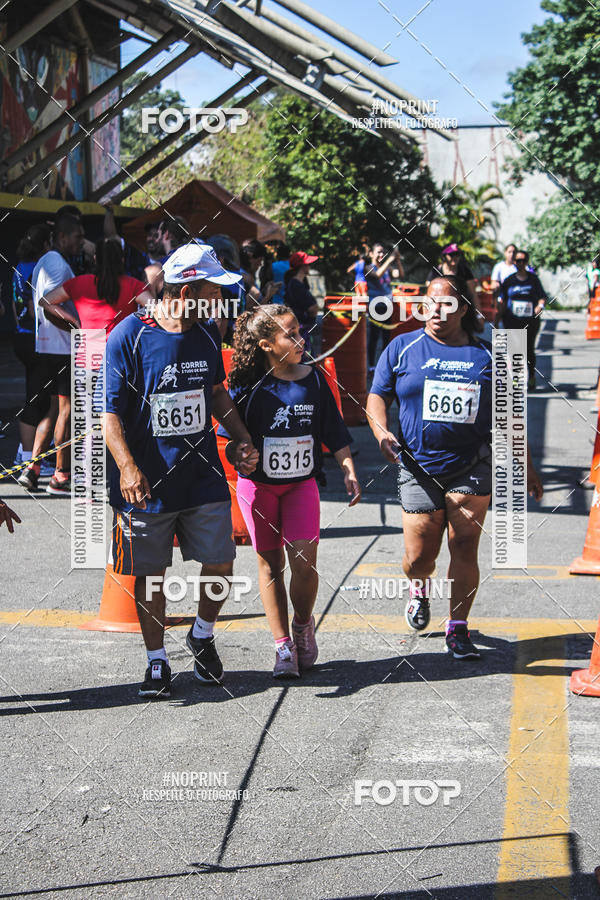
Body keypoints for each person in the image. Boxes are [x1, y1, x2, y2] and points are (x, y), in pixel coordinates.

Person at [101, 242, 259, 699]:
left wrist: (241, 437)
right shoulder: (128, 335)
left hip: (202, 474)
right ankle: (156, 660)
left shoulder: (208, 334)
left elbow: (216, 393)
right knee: (150, 574)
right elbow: (108, 414)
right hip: (146, 482)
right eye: (214, 288)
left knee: (221, 562)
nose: (221, 297)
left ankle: (202, 635)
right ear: (188, 288)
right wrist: (127, 468)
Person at [366, 275, 543, 659]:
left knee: (464, 544)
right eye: (430, 303)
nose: (436, 312)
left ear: (464, 308)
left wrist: (526, 466)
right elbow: (377, 395)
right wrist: (382, 434)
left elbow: (512, 414)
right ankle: (419, 589)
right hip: (417, 465)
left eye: (446, 305)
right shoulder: (402, 347)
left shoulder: (492, 355)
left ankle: (458, 627)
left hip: (472, 465)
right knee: (419, 558)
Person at [225, 304, 361, 677]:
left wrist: (348, 469)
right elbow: (229, 442)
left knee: (304, 562)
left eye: (300, 330)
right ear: (268, 344)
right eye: (291, 334)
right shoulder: (245, 384)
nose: (302, 339)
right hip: (259, 488)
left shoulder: (314, 379)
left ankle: (303, 624)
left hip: (301, 485)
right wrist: (240, 453)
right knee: (270, 565)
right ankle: (282, 644)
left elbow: (334, 431)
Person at [21, 213, 84, 495]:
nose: (80, 242)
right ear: (61, 237)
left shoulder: (45, 262)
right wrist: (77, 326)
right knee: (66, 412)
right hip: (61, 349)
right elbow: (48, 304)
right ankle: (60, 476)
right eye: (77, 237)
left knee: (51, 409)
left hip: (46, 348)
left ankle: (32, 469)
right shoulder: (57, 263)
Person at [41, 238, 152, 337]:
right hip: (120, 350)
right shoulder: (134, 285)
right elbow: (157, 310)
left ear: (95, 259)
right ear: (122, 260)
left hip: (87, 352)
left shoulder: (79, 282)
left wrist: (74, 321)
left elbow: (45, 301)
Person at [11, 223, 55, 476]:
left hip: (21, 336)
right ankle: (28, 459)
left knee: (37, 395)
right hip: (33, 339)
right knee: (37, 399)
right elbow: (31, 305)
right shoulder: (36, 268)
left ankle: (25, 452)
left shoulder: (19, 266)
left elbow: (17, 309)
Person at [497, 250, 547, 391]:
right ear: (514, 262)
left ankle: (531, 376)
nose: (520, 263)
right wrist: (497, 319)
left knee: (528, 349)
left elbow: (542, 296)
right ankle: (516, 379)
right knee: (514, 350)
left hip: (530, 321)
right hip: (512, 320)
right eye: (518, 260)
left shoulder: (533, 279)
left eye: (523, 260)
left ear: (527, 262)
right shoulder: (509, 280)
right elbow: (502, 301)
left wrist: (540, 305)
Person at [365, 243, 405, 371]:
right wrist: (390, 259)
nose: (381, 255)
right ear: (371, 254)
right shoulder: (368, 268)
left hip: (387, 306)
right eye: (378, 252)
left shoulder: (387, 268)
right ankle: (371, 366)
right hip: (375, 306)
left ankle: (384, 365)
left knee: (387, 337)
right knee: (374, 337)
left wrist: (397, 260)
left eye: (383, 252)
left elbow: (400, 275)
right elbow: (377, 276)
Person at [427, 244, 483, 332]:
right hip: (442, 313)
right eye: (452, 255)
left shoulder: (465, 271)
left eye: (457, 254)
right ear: (444, 256)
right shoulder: (435, 272)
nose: (455, 257)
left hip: (463, 314)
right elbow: (428, 297)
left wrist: (479, 316)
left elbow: (473, 295)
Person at [284, 251, 319, 354]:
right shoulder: (296, 285)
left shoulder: (299, 283)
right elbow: (312, 308)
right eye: (308, 264)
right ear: (302, 266)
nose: (309, 266)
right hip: (301, 330)